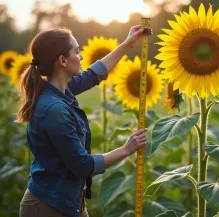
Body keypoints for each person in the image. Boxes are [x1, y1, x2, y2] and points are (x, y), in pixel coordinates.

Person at [16, 25, 151, 217]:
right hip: (47, 207)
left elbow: (94, 74)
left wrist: (127, 45)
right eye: (77, 52)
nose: (81, 57)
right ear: (62, 60)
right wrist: (126, 149)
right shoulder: (55, 110)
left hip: (67, 202)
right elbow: (82, 165)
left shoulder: (61, 90)